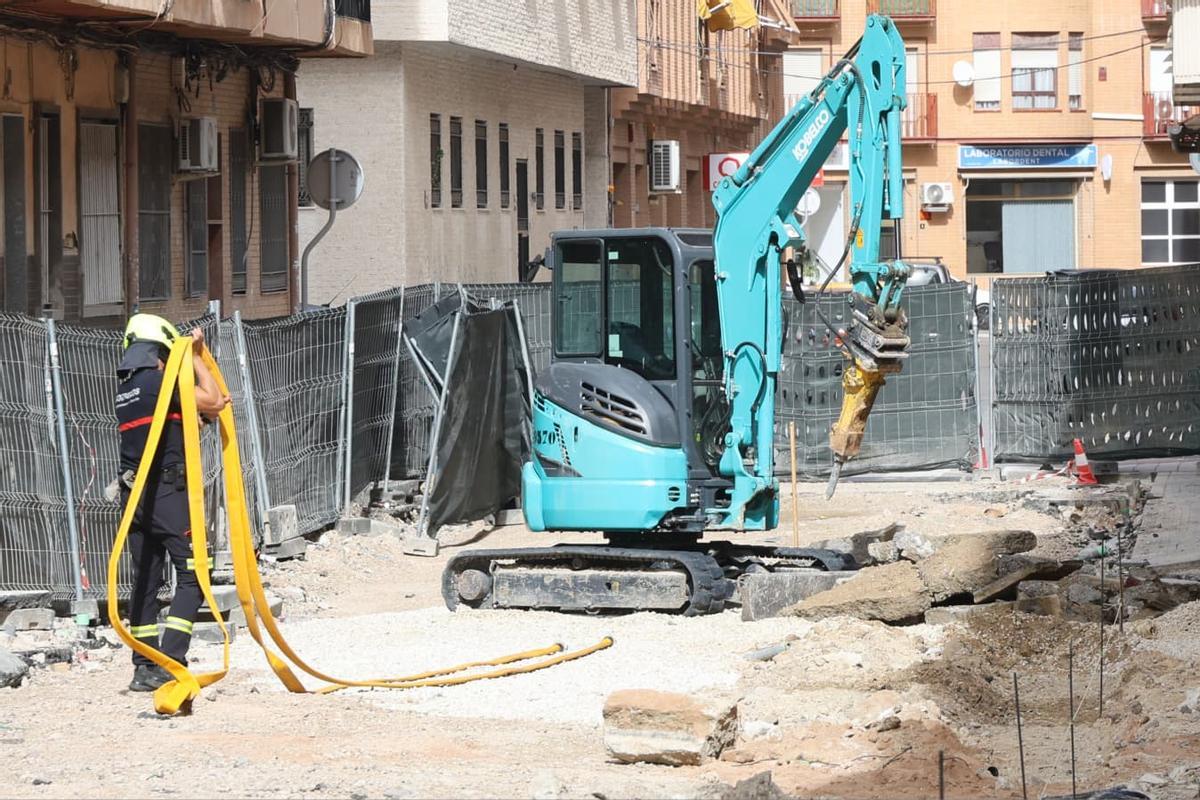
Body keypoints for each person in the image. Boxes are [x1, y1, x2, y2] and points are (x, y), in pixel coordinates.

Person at [115, 314, 229, 692]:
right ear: (162, 353)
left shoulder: (128, 389)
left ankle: (144, 667)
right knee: (195, 573)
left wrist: (200, 414)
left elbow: (177, 423)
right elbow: (215, 400)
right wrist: (195, 355)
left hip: (134, 497)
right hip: (167, 493)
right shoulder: (161, 382)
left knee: (146, 580)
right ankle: (172, 659)